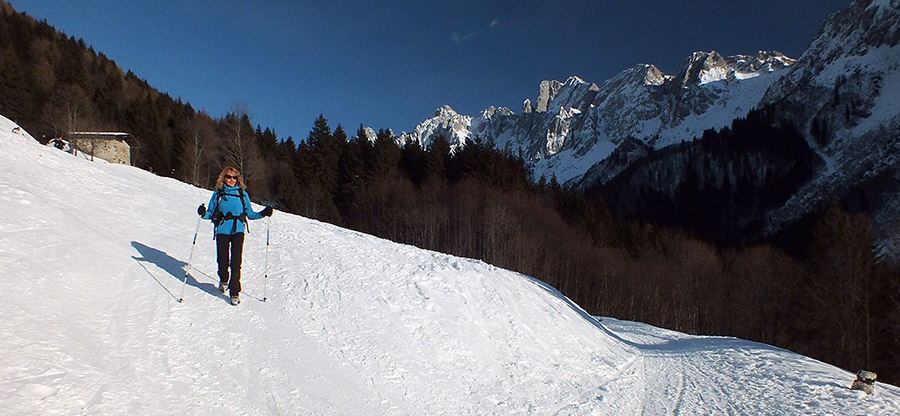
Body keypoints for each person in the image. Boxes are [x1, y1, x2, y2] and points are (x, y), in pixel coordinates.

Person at [197, 167, 273, 305]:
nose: (231, 179)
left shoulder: (242, 194)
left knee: (236, 262)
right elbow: (210, 213)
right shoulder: (218, 194)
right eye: (228, 177)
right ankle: (224, 279)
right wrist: (203, 213)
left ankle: (234, 292)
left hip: (238, 230)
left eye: (234, 177)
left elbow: (250, 214)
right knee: (222, 260)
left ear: (238, 179)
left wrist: (263, 213)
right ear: (223, 178)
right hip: (222, 230)